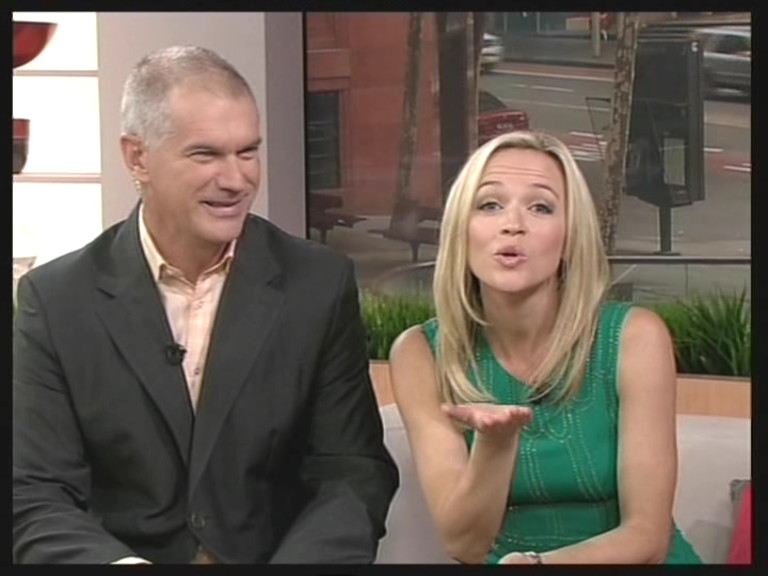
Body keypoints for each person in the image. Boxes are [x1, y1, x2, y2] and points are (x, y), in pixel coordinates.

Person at [13, 45, 398, 564]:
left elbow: (351, 473)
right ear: (137, 157)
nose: (236, 180)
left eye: (247, 152)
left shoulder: (317, 284)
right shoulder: (58, 300)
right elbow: (35, 493)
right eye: (206, 154)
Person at [389, 131, 702, 564]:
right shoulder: (420, 353)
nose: (512, 224)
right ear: (461, 229)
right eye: (490, 205)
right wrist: (495, 445)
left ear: (570, 235)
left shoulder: (635, 336)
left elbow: (647, 536)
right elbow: (464, 544)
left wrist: (540, 565)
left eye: (540, 207)